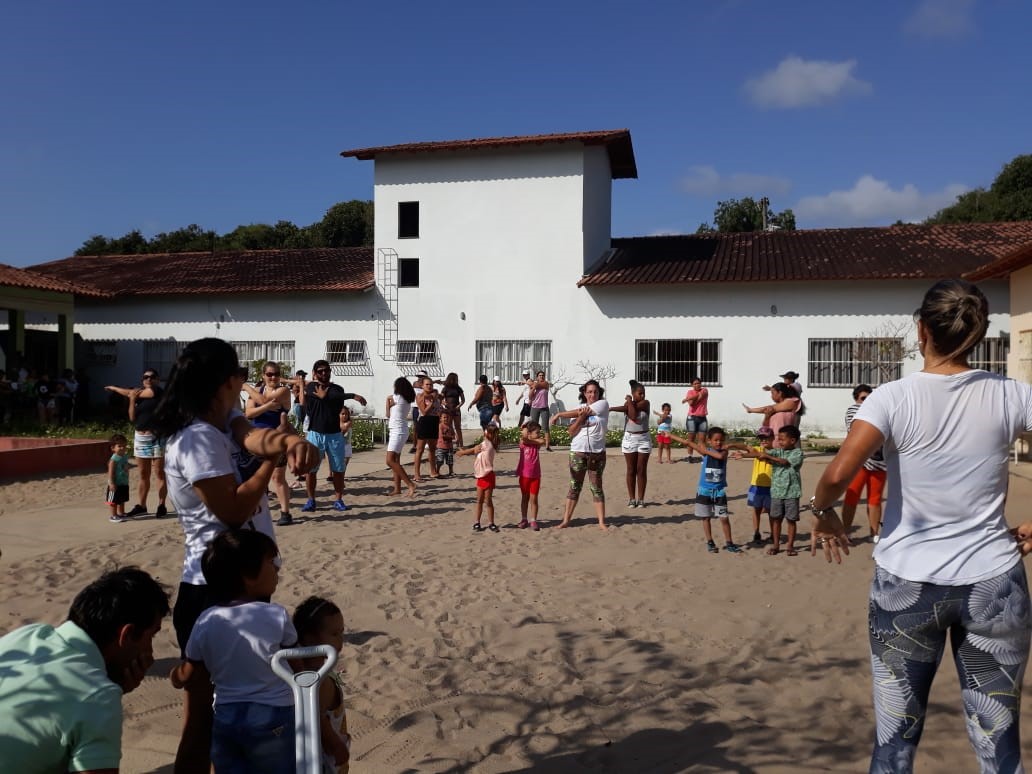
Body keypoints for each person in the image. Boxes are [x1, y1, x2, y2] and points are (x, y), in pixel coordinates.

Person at [809, 278, 1032, 772]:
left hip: (906, 584)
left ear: (920, 330)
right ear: (977, 332)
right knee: (998, 745)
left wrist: (822, 513)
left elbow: (837, 474)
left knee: (895, 742)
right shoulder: (1014, 395)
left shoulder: (891, 398)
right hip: (995, 580)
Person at [145, 337, 317, 773]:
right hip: (211, 592)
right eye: (242, 376)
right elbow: (234, 509)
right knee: (202, 725)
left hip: (237, 588)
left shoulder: (224, 422)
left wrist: (291, 443)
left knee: (226, 723)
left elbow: (255, 436)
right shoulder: (197, 438)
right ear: (229, 381)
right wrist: (271, 466)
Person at [0, 566, 171, 772]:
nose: (150, 654)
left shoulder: (29, 634)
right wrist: (107, 693)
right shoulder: (98, 696)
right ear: (127, 635)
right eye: (151, 636)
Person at [171, 530, 297, 774]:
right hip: (273, 716)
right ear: (247, 576)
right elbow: (298, 668)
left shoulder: (206, 620)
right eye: (271, 563)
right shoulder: (276, 615)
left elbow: (189, 673)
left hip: (227, 716)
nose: (277, 569)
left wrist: (174, 676)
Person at [300, 360, 367, 513]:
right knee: (311, 470)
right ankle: (311, 500)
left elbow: (334, 397)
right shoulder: (311, 386)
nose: (324, 373)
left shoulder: (337, 389)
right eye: (320, 371)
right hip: (315, 434)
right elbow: (318, 395)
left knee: (338, 470)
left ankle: (338, 499)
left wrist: (327, 396)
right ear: (315, 373)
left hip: (335, 435)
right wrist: (353, 395)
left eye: (326, 370)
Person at [294, 596, 351, 774]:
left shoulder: (317, 670)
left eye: (342, 632)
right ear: (310, 639)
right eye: (334, 634)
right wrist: (335, 745)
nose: (340, 640)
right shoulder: (317, 678)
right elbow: (317, 718)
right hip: (325, 761)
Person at [105, 369, 169, 518]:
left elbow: (129, 392)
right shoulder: (139, 396)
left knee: (159, 473)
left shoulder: (157, 392)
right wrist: (132, 400)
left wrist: (115, 388)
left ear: (158, 380)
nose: (149, 379)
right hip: (141, 437)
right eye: (146, 377)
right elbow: (132, 417)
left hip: (156, 437)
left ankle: (161, 505)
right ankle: (142, 505)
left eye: (152, 377)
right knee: (143, 474)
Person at [668, 426, 741, 553]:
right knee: (706, 518)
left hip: (719, 492)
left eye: (721, 440)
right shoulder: (705, 451)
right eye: (716, 440)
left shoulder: (723, 452)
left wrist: (706, 451)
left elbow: (719, 456)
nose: (718, 443)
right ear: (709, 441)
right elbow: (687, 442)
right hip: (704, 491)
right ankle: (710, 541)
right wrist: (670, 435)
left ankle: (729, 542)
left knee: (724, 518)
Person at [550, 379, 610, 530]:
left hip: (596, 453)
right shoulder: (578, 409)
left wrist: (559, 415)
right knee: (575, 486)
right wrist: (581, 418)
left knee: (596, 487)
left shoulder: (603, 405)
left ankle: (601, 522)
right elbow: (571, 431)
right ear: (584, 393)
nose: (592, 394)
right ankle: (566, 520)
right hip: (578, 452)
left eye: (595, 392)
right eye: (589, 392)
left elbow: (586, 411)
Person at [736, 426, 804, 555]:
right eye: (779, 439)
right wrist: (744, 455)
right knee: (776, 519)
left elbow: (784, 462)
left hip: (792, 493)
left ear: (793, 440)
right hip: (777, 493)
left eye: (783, 439)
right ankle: (776, 545)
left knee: (791, 520)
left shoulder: (798, 453)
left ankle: (790, 546)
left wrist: (769, 458)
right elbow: (760, 454)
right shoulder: (777, 451)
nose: (780, 442)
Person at [244, 362, 294, 526]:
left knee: (277, 477)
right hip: (257, 439)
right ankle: (254, 512)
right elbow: (249, 413)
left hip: (276, 439)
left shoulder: (283, 390)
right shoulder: (258, 391)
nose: (273, 377)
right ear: (263, 376)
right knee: (255, 477)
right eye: (270, 374)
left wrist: (246, 387)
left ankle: (285, 512)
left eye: (276, 374)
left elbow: (263, 400)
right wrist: (267, 407)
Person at [840, 384, 886, 544]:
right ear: (856, 398)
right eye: (862, 398)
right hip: (858, 461)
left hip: (879, 462)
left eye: (868, 398)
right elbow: (855, 430)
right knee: (852, 496)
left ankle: (874, 532)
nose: (865, 401)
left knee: (875, 499)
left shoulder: (878, 410)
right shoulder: (854, 410)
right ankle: (845, 531)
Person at [727, 426, 775, 546]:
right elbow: (746, 447)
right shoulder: (757, 448)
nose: (763, 440)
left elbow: (759, 455)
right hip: (756, 485)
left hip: (771, 486)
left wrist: (743, 455)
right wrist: (731, 445)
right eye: (761, 438)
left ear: (773, 438)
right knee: (756, 510)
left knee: (771, 512)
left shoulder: (775, 451)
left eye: (766, 438)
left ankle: (774, 534)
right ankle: (756, 532)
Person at [610, 379, 651, 508]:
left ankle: (641, 499)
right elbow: (626, 409)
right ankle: (632, 499)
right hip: (629, 439)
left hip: (644, 439)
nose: (642, 395)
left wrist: (628, 401)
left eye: (643, 393)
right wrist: (611, 408)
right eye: (640, 393)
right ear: (634, 393)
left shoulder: (645, 403)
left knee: (641, 470)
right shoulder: (629, 404)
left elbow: (632, 415)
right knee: (631, 469)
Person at [457, 423, 500, 532]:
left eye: (486, 432)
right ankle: (478, 522)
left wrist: (462, 452)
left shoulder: (487, 444)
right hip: (482, 476)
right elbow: (476, 450)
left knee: (485, 501)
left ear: (489, 434)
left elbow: (473, 450)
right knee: (482, 500)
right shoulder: (488, 444)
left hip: (487, 475)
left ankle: (490, 522)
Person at [386, 376, 417, 498]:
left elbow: (389, 398)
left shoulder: (398, 397)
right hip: (397, 429)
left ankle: (410, 484)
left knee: (389, 461)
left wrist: (387, 400)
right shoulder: (404, 399)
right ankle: (397, 488)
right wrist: (388, 404)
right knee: (395, 461)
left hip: (398, 431)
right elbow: (388, 414)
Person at [742, 382, 801, 447]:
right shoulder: (774, 409)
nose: (771, 396)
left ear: (780, 393)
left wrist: (751, 410)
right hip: (772, 443)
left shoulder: (792, 401)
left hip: (785, 443)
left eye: (772, 393)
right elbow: (765, 426)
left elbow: (767, 408)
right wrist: (767, 416)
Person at [516, 421, 546, 530]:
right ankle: (524, 519)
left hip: (535, 476)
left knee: (534, 499)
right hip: (524, 475)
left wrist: (532, 438)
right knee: (525, 498)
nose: (539, 434)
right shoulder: (523, 443)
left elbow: (543, 441)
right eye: (537, 432)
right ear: (529, 433)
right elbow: (524, 438)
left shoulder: (537, 444)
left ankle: (533, 520)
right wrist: (525, 429)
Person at [413, 376, 442, 481]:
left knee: (432, 449)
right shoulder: (420, 396)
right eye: (427, 384)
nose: (429, 386)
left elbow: (439, 409)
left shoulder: (435, 395)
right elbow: (424, 412)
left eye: (431, 384)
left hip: (434, 421)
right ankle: (417, 474)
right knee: (420, 449)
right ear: (422, 385)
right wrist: (433, 401)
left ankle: (433, 471)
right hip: (424, 421)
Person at [681, 377, 709, 462]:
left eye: (698, 383)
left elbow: (697, 397)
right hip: (692, 418)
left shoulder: (705, 390)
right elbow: (692, 404)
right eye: (695, 383)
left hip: (702, 418)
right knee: (691, 439)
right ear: (692, 385)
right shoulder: (690, 392)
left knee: (702, 440)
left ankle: (704, 457)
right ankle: (690, 456)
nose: (697, 385)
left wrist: (687, 399)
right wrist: (691, 399)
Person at [106, 432, 131, 523]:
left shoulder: (124, 456)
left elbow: (126, 465)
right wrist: (111, 483)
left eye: (124, 446)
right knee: (113, 500)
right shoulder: (114, 459)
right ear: (113, 448)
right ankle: (113, 515)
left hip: (123, 482)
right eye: (119, 446)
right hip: (115, 483)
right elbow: (111, 472)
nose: (122, 448)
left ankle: (121, 513)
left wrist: (127, 467)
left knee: (122, 499)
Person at [529, 370, 553, 451]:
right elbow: (530, 396)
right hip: (535, 407)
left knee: (545, 427)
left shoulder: (546, 384)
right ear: (537, 377)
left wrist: (533, 384)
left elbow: (541, 385)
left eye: (543, 375)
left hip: (544, 408)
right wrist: (532, 388)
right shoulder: (535, 385)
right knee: (534, 427)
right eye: (540, 375)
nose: (541, 376)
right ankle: (535, 444)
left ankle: (547, 446)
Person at [440, 372, 465, 446]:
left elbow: (463, 400)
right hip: (448, 410)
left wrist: (458, 406)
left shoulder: (458, 388)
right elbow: (441, 399)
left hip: (456, 410)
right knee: (449, 426)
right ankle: (450, 443)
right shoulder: (445, 388)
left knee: (458, 427)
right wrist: (445, 404)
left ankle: (461, 444)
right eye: (454, 379)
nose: (455, 381)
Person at [435, 407, 456, 477]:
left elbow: (454, 434)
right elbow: (443, 437)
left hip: (449, 447)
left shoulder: (450, 426)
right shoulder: (440, 426)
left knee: (450, 460)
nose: (446, 419)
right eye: (444, 417)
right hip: (441, 447)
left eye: (447, 417)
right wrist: (451, 437)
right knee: (440, 460)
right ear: (440, 418)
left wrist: (453, 437)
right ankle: (437, 471)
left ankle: (451, 471)